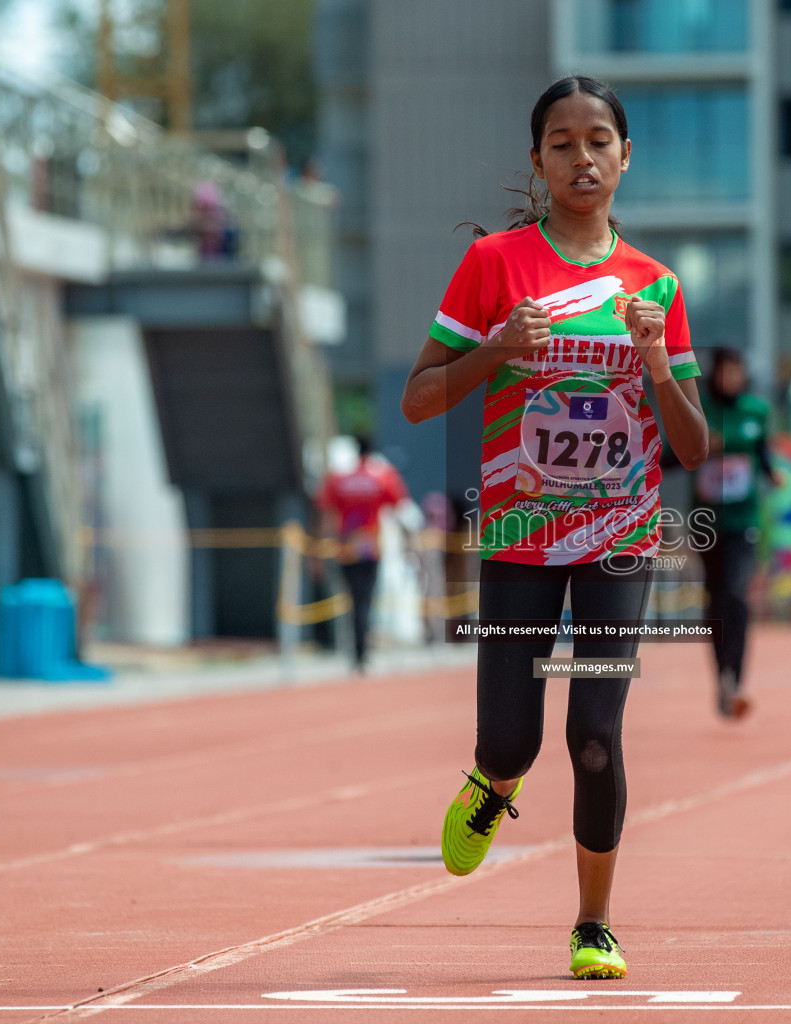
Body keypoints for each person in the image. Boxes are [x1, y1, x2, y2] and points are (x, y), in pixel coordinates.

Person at [400, 75, 708, 980]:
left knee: (596, 737)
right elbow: (420, 397)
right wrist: (495, 350)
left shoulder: (656, 283)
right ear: (538, 160)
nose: (584, 157)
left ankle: (594, 923)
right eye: (564, 143)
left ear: (625, 156)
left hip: (619, 538)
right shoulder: (495, 265)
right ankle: (494, 780)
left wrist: (655, 361)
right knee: (513, 741)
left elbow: (690, 445)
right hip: (523, 532)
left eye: (600, 140)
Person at [693, 348, 776, 720]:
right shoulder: (700, 408)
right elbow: (673, 455)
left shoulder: (756, 411)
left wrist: (772, 473)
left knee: (737, 597)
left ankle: (736, 680)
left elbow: (762, 452)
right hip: (707, 523)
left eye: (737, 372)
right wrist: (706, 447)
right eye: (726, 372)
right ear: (715, 374)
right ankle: (722, 676)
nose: (732, 378)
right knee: (716, 602)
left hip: (744, 521)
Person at [316, 437, 409, 671]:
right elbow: (400, 507)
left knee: (351, 600)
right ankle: (361, 652)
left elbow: (327, 514)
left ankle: (356, 652)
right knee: (365, 600)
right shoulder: (382, 476)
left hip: (346, 546)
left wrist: (319, 551)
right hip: (370, 547)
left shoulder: (338, 479)